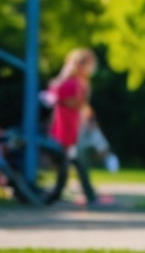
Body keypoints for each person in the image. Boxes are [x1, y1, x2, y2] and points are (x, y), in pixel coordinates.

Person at [43, 48, 105, 206]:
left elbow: (81, 104)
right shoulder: (70, 82)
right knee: (72, 160)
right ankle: (85, 195)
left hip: (75, 125)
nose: (92, 69)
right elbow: (52, 95)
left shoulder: (80, 82)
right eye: (90, 64)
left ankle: (56, 194)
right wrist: (64, 74)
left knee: (69, 160)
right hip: (66, 125)